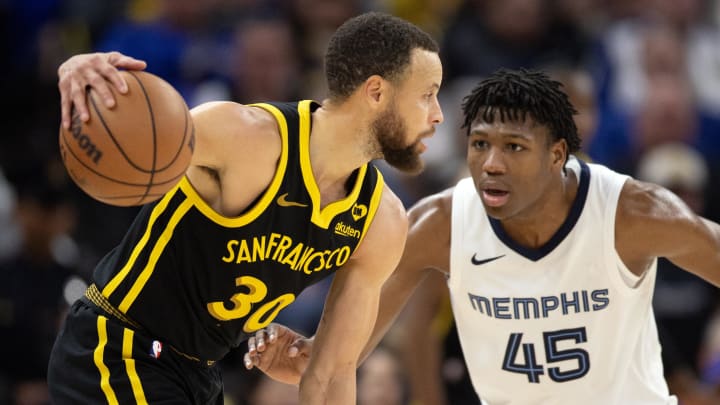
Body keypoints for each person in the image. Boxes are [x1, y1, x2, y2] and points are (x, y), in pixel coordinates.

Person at [245, 69, 720, 404]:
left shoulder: (633, 213)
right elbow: (346, 347)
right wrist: (307, 357)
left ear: (557, 155)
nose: (491, 164)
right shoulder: (440, 224)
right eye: (479, 145)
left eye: (513, 147)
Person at [48, 11, 443, 404]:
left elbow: (329, 375)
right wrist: (82, 74)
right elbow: (127, 131)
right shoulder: (244, 137)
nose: (438, 115)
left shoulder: (380, 221)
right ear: (376, 92)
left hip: (201, 373)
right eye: (426, 95)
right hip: (117, 349)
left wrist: (306, 357)